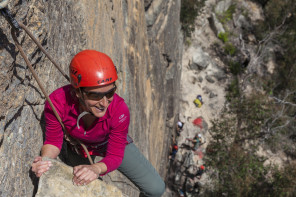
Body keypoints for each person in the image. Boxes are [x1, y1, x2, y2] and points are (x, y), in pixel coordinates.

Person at [31, 50, 165, 197]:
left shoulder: (119, 110)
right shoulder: (57, 102)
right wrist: (46, 161)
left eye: (110, 93)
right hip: (79, 148)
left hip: (111, 143)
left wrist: (96, 168)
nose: (104, 103)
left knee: (155, 189)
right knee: (86, 186)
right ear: (78, 92)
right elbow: (53, 141)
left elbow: (115, 155)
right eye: (95, 95)